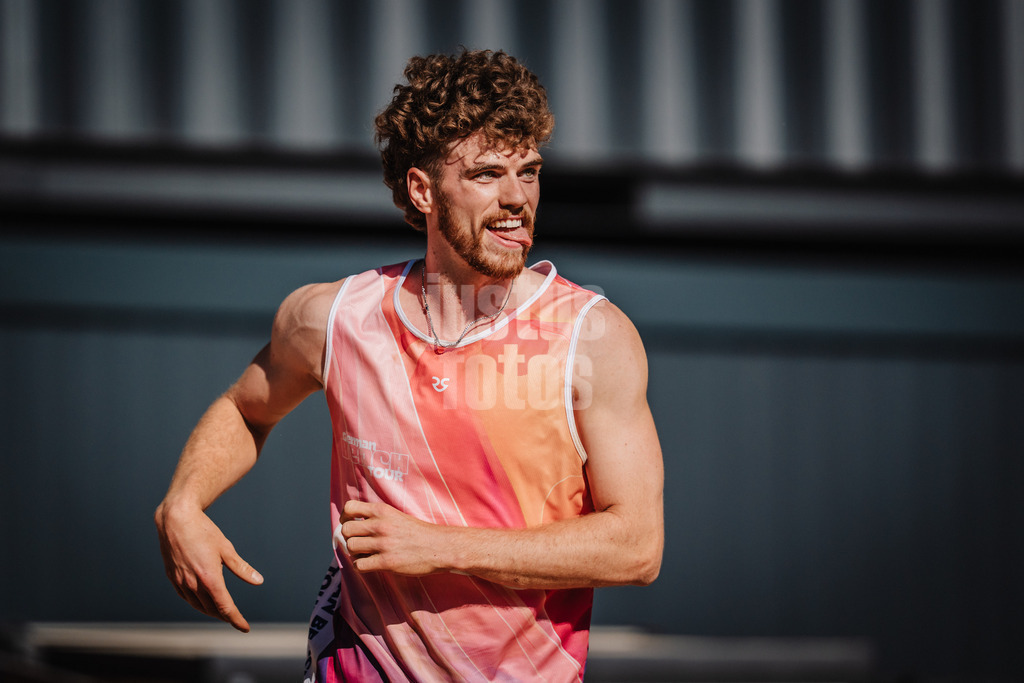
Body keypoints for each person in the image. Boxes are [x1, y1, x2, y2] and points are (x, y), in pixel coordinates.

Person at [155, 48, 663, 682]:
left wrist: (439, 547)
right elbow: (244, 408)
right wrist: (183, 504)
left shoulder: (591, 337)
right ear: (423, 190)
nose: (516, 199)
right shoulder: (332, 317)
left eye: (528, 172)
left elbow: (638, 546)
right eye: (485, 174)